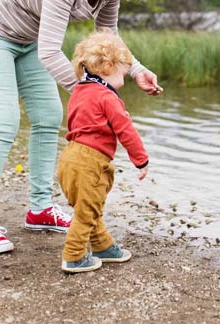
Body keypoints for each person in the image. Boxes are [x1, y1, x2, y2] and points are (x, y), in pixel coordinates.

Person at [0, 0, 163, 255]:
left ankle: (40, 209)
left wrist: (137, 70)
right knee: (4, 121)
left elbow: (109, 38)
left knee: (48, 116)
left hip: (28, 39)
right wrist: (89, 93)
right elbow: (51, 52)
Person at [58, 30, 151, 273]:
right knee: (86, 213)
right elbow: (126, 130)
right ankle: (74, 256)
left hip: (69, 157)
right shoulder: (108, 96)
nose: (124, 78)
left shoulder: (80, 90)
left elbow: (82, 123)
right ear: (108, 66)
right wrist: (141, 160)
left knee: (89, 207)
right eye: (123, 72)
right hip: (90, 161)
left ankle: (102, 246)